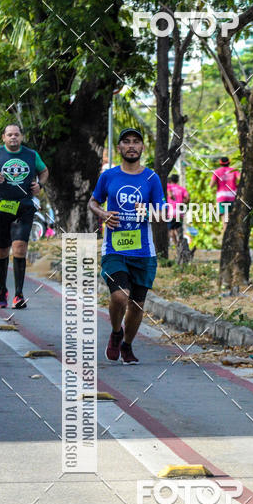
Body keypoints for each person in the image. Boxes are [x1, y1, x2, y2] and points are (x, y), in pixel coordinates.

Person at [88, 128, 169, 364]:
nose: (132, 146)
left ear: (142, 148)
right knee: (120, 296)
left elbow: (162, 214)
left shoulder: (151, 178)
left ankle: (127, 345)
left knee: (136, 304)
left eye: (136, 142)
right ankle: (115, 333)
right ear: (120, 148)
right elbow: (93, 201)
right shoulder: (109, 176)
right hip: (114, 248)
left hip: (143, 251)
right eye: (126, 142)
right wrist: (103, 213)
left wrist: (148, 211)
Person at [0, 123, 49, 309]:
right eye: (10, 135)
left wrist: (40, 184)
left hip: (24, 208)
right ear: (4, 137)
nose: (13, 137)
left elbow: (44, 171)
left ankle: (18, 294)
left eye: (16, 134)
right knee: (1, 251)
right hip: (1, 208)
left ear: (21, 137)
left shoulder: (31, 155)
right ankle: (2, 290)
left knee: (19, 248)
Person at [210, 156, 240, 223]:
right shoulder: (234, 170)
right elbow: (240, 179)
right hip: (233, 196)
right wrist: (237, 185)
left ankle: (226, 232)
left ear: (220, 163)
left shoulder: (217, 172)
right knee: (233, 219)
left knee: (225, 220)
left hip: (222, 197)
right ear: (229, 162)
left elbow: (211, 185)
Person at [166, 172, 190, 248]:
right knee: (178, 228)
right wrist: (181, 202)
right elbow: (187, 199)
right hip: (180, 211)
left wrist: (173, 199)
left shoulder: (168, 186)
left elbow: (170, 195)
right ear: (177, 180)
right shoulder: (182, 189)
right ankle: (179, 244)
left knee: (171, 229)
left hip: (171, 211)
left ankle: (176, 245)